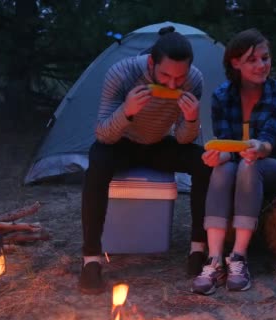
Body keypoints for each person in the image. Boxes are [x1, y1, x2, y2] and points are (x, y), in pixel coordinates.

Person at [79, 26, 212, 295]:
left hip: (158, 144)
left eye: (180, 78)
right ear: (151, 62)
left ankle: (198, 248)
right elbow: (103, 133)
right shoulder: (122, 73)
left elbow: (185, 139)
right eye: (165, 75)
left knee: (203, 160)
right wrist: (126, 112)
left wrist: (191, 119)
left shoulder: (194, 80)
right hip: (120, 143)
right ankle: (90, 259)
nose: (173, 85)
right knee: (97, 160)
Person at [191, 28, 276, 295]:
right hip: (238, 160)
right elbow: (226, 143)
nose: (262, 65)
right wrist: (216, 154)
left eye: (265, 58)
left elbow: (270, 141)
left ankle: (239, 257)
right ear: (235, 63)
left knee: (249, 165)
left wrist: (257, 147)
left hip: (275, 162)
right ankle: (215, 259)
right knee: (221, 167)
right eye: (252, 60)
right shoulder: (222, 96)